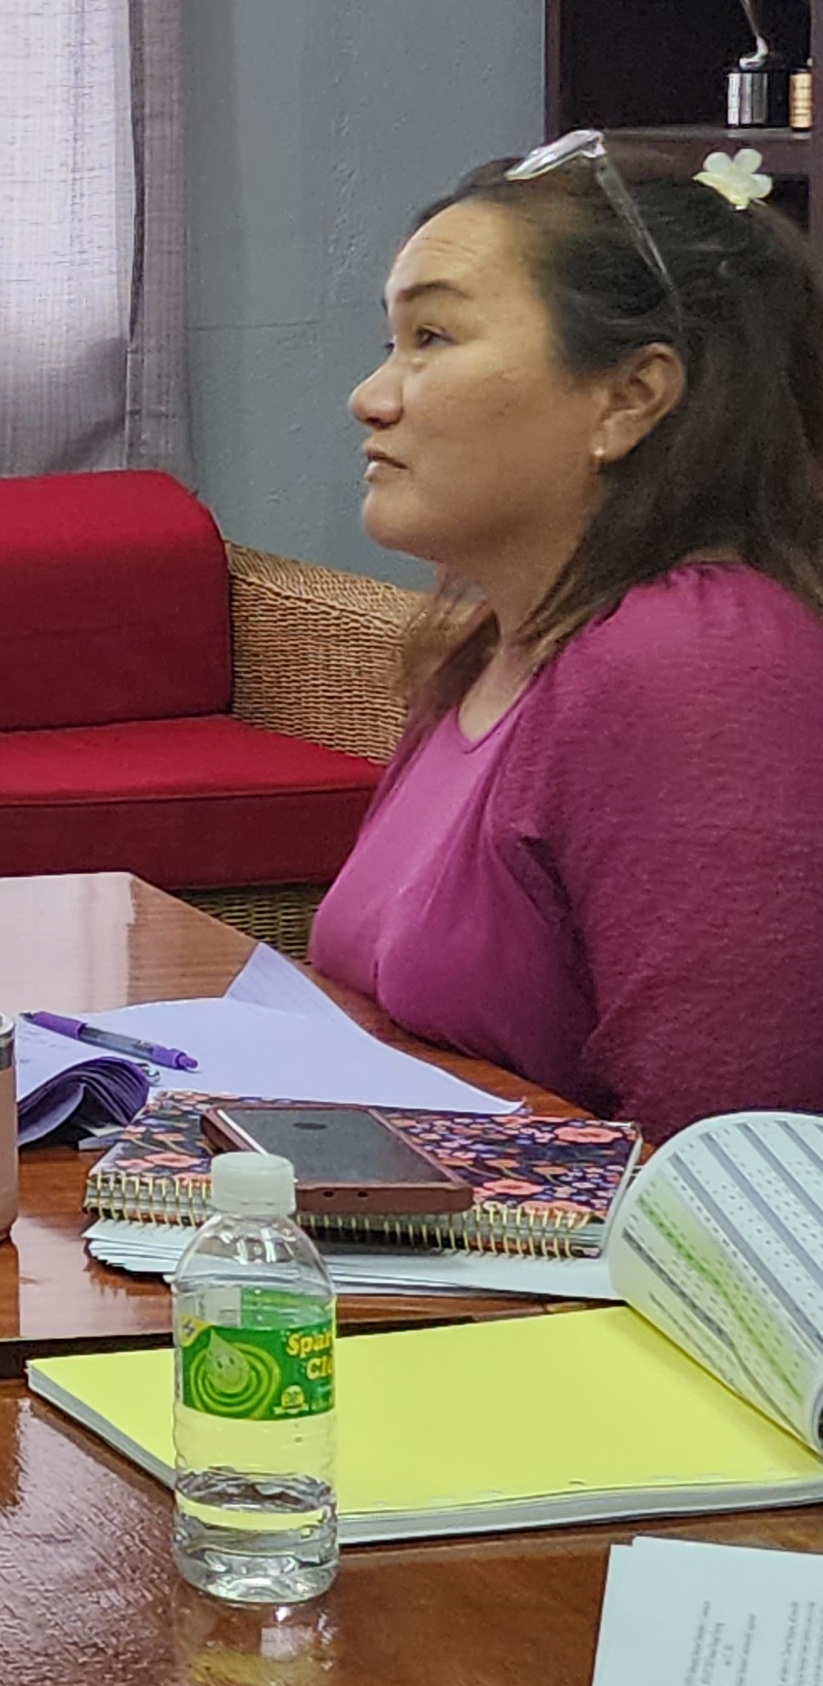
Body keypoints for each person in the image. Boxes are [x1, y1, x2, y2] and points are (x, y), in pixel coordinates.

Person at [311, 133, 823, 1135]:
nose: (370, 398)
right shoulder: (492, 643)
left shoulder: (694, 663)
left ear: (628, 397)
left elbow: (727, 1161)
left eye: (435, 341)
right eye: (390, 345)